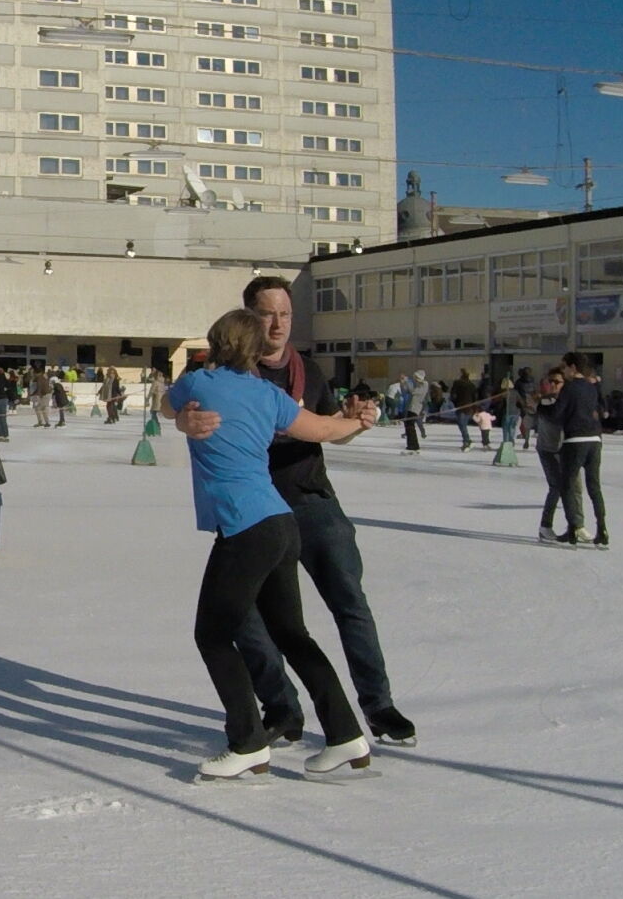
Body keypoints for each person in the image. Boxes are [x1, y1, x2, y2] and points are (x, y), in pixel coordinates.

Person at [177, 276, 416, 746]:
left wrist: (357, 422)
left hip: (310, 501)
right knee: (250, 621)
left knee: (349, 603)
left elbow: (328, 428)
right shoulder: (232, 375)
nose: (278, 324)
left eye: (285, 314)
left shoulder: (309, 371)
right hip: (254, 512)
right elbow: (177, 406)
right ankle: (283, 707)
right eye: (268, 314)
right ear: (248, 318)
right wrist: (184, 419)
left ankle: (378, 705)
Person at [163, 307, 375, 779]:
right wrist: (358, 422)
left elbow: (165, 407)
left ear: (217, 342)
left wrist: (182, 421)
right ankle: (345, 735)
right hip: (281, 522)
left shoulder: (197, 382)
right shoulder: (268, 394)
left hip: (246, 528)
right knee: (292, 634)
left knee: (212, 635)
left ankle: (248, 743)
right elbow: (323, 430)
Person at [550, 352, 608, 548]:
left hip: (575, 440)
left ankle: (574, 527)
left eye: (565, 367)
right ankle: (602, 529)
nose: (563, 371)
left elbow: (557, 414)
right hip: (595, 440)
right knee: (594, 487)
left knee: (567, 485)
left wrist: (540, 407)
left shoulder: (569, 387)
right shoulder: (592, 387)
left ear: (573, 367)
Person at [535, 367, 577, 541]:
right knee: (556, 486)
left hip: (563, 448)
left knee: (570, 487)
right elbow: (554, 418)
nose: (553, 385)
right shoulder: (547, 401)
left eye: (557, 382)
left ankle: (576, 525)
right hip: (548, 449)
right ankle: (545, 526)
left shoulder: (565, 400)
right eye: (550, 381)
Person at [451, 368, 477, 452]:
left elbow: (453, 395)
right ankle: (466, 440)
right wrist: (474, 408)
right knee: (463, 425)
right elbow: (475, 398)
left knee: (462, 425)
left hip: (461, 407)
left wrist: (455, 403)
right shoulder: (472, 385)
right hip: (469, 408)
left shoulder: (457, 383)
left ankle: (467, 441)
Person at [402, 370, 427, 454]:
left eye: (416, 377)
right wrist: (404, 383)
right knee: (408, 425)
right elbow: (407, 391)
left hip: (415, 408)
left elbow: (413, 392)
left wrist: (407, 381)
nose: (415, 379)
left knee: (410, 425)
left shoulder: (424, 384)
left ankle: (414, 445)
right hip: (411, 407)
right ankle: (411, 444)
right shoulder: (418, 385)